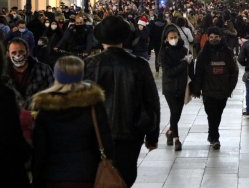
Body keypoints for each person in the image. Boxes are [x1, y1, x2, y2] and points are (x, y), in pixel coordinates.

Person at [84, 16, 160, 186]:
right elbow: (152, 102)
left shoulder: (90, 65)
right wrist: (152, 136)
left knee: (102, 177)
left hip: (97, 134)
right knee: (125, 177)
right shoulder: (139, 65)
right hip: (130, 132)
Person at [31, 56, 112, 188]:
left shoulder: (45, 107)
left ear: (56, 76)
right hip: (87, 174)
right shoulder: (93, 104)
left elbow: (40, 148)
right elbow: (106, 141)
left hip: (53, 176)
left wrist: (37, 179)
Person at [192, 27, 238, 150]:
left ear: (220, 37)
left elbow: (234, 72)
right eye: (211, 37)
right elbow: (199, 72)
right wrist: (197, 89)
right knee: (211, 114)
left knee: (218, 114)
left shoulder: (228, 52)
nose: (213, 39)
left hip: (223, 91)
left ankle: (212, 134)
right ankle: (215, 137)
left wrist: (230, 88)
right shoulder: (204, 53)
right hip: (208, 91)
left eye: (216, 37)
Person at [0, 42, 31, 187]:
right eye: (13, 53)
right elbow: (13, 138)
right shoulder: (4, 94)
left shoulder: (41, 70)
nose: (18, 56)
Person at [159, 24, 194, 151]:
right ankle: (176, 139)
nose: (173, 39)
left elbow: (190, 70)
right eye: (171, 37)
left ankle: (169, 132)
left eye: (175, 37)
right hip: (169, 87)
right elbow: (169, 72)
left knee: (177, 114)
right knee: (174, 112)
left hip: (181, 86)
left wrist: (190, 63)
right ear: (166, 39)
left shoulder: (185, 51)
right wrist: (184, 63)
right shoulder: (163, 53)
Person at [7, 37, 54, 109]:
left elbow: (54, 95)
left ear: (27, 52)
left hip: (39, 117)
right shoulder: (3, 74)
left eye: (21, 51)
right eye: (13, 52)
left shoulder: (44, 69)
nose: (18, 55)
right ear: (8, 54)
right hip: (11, 118)